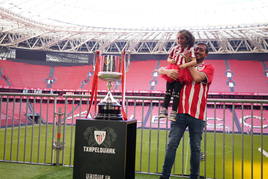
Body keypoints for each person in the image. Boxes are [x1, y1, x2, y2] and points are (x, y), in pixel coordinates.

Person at [159, 43, 214, 179]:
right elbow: (161, 70)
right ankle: (164, 176)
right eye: (196, 49)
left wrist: (188, 63)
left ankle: (194, 176)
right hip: (179, 113)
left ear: (206, 54)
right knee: (171, 145)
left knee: (195, 149)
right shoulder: (182, 64)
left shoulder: (208, 67)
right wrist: (167, 71)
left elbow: (197, 78)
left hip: (197, 115)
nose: (198, 51)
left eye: (201, 50)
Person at [159, 30, 197, 121]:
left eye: (182, 38)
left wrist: (185, 65)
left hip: (182, 71)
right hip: (172, 69)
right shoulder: (175, 48)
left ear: (187, 39)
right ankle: (164, 110)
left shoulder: (191, 49)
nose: (180, 40)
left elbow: (195, 61)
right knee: (168, 91)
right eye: (178, 38)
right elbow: (168, 58)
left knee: (176, 93)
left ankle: (173, 112)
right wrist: (170, 61)